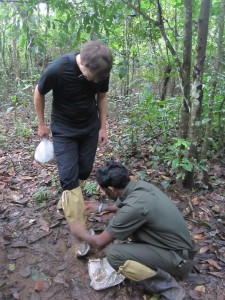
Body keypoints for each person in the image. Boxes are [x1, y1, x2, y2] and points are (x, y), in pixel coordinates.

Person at [69, 160, 197, 300]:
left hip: (178, 260)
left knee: (114, 254)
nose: (103, 192)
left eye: (104, 190)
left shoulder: (133, 208)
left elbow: (99, 243)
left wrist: (79, 231)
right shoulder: (139, 186)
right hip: (180, 249)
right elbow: (123, 204)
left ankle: (170, 288)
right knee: (118, 221)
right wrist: (101, 207)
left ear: (111, 189)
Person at [34, 41, 113, 246]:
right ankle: (81, 235)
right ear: (83, 63)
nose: (96, 80)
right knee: (69, 180)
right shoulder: (58, 69)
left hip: (89, 128)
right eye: (93, 76)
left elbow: (102, 96)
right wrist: (41, 124)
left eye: (99, 78)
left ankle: (66, 204)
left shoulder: (101, 70)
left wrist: (103, 127)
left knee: (84, 172)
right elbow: (39, 92)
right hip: (64, 131)